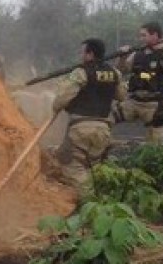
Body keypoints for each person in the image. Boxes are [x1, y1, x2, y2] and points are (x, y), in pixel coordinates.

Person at [51, 38, 125, 187]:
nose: (81, 56)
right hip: (103, 130)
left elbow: (62, 99)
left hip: (81, 129)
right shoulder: (115, 73)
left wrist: (56, 106)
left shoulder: (81, 73)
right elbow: (121, 96)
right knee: (93, 165)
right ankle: (99, 188)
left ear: (90, 54)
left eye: (82, 52)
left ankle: (88, 194)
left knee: (72, 167)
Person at [116, 22, 163, 143]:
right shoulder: (138, 53)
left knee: (155, 140)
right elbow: (122, 69)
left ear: (155, 35)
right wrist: (122, 56)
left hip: (154, 104)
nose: (141, 38)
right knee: (110, 115)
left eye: (144, 35)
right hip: (133, 101)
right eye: (140, 35)